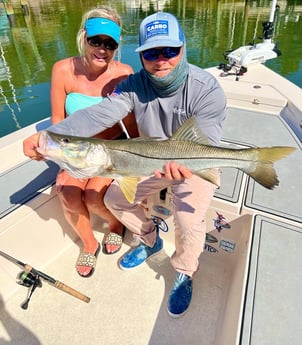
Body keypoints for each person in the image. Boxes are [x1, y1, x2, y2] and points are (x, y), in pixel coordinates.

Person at [23, 12, 226, 317]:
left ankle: (185, 270)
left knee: (187, 220)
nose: (162, 60)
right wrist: (48, 137)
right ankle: (149, 239)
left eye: (170, 50)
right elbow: (96, 115)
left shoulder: (207, 88)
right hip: (147, 161)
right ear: (141, 55)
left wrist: (184, 164)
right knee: (115, 198)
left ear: (183, 47)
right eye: (152, 53)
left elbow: (207, 143)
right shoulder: (132, 85)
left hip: (194, 161)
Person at [50, 6, 138, 277]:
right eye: (96, 41)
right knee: (67, 193)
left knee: (94, 196)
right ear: (84, 38)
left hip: (111, 150)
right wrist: (63, 160)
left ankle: (114, 225)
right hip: (76, 149)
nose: (102, 49)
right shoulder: (62, 70)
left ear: (116, 46)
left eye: (110, 43)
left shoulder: (124, 74)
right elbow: (57, 123)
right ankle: (89, 243)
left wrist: (137, 157)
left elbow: (132, 125)